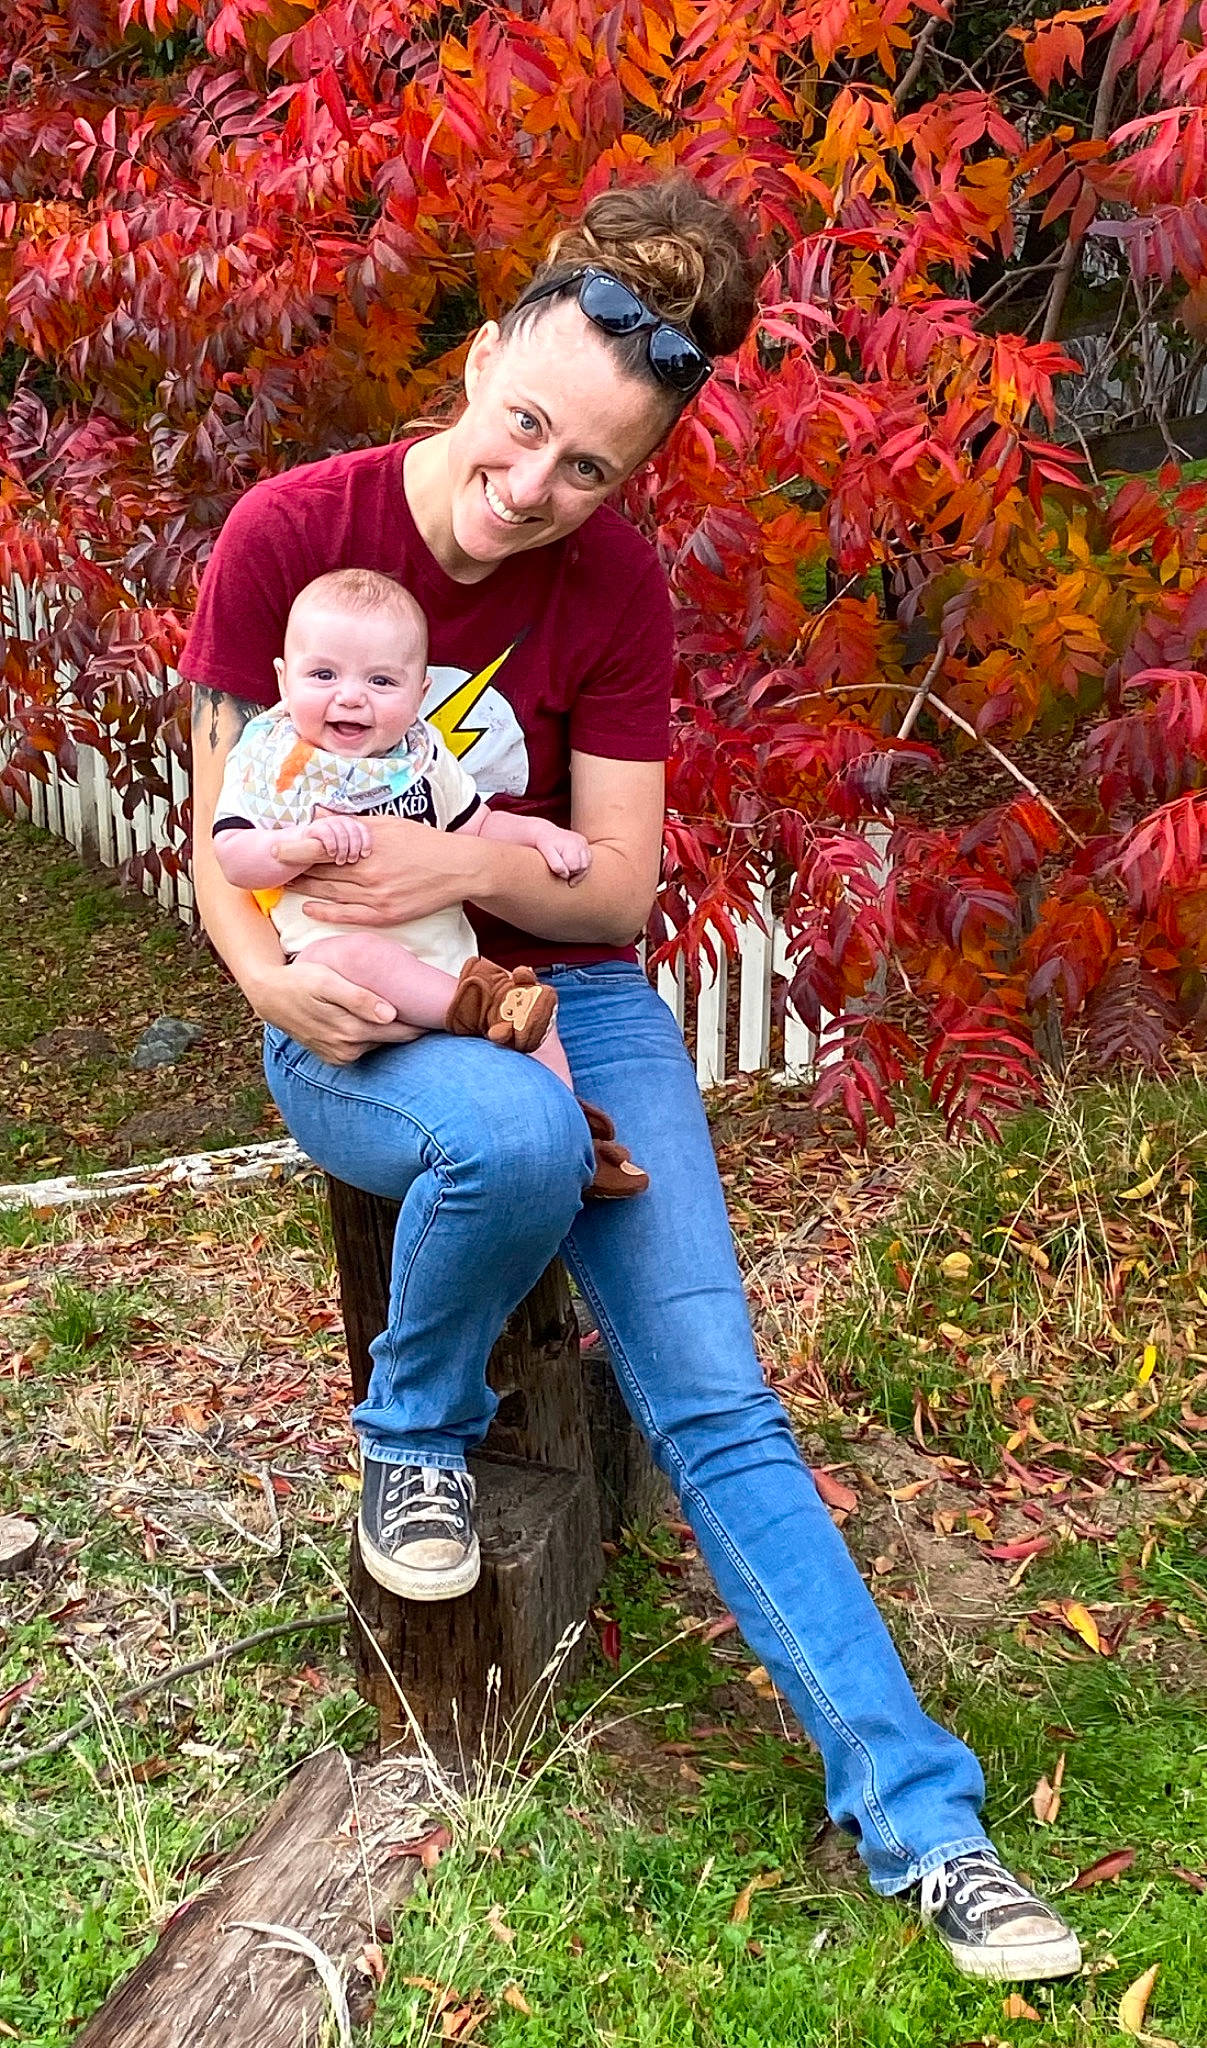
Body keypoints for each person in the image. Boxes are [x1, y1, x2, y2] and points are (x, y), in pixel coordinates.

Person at [183, 175, 1082, 1984]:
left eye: (589, 467)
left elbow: (616, 883)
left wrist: (461, 862)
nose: (534, 488)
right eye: (524, 428)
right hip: (346, 993)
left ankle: (922, 1818)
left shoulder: (615, 587)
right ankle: (408, 1444)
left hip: (567, 988)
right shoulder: (298, 533)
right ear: (483, 352)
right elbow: (222, 835)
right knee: (510, 1136)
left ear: (631, 478)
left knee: (715, 1390)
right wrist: (288, 983)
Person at [209, 564, 650, 1238]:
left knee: (536, 1016)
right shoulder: (273, 762)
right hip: (341, 972)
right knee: (356, 953)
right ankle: (471, 1017)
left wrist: (538, 834)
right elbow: (232, 857)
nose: (349, 699)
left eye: (379, 682)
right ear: (281, 680)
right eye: (322, 676)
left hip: (449, 968)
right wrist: (295, 846)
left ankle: (574, 1141)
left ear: (417, 695)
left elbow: (476, 824)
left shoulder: (421, 758)